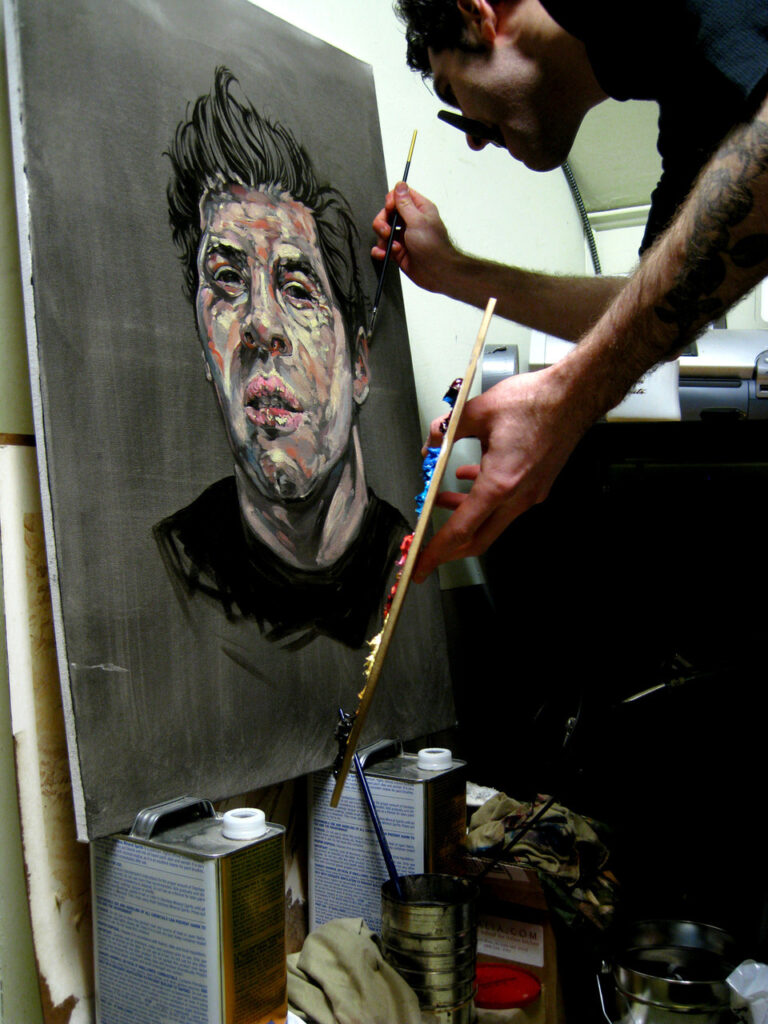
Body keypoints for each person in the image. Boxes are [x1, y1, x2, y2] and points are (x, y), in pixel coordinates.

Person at [372, 0, 768, 582]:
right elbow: (660, 305)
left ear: (479, 13)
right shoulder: (690, 97)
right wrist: (454, 272)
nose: (474, 140)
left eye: (453, 92)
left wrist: (566, 397)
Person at [155, 68, 410, 649]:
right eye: (226, 279)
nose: (259, 325)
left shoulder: (412, 567)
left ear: (359, 365)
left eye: (297, 288)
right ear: (205, 347)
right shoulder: (173, 572)